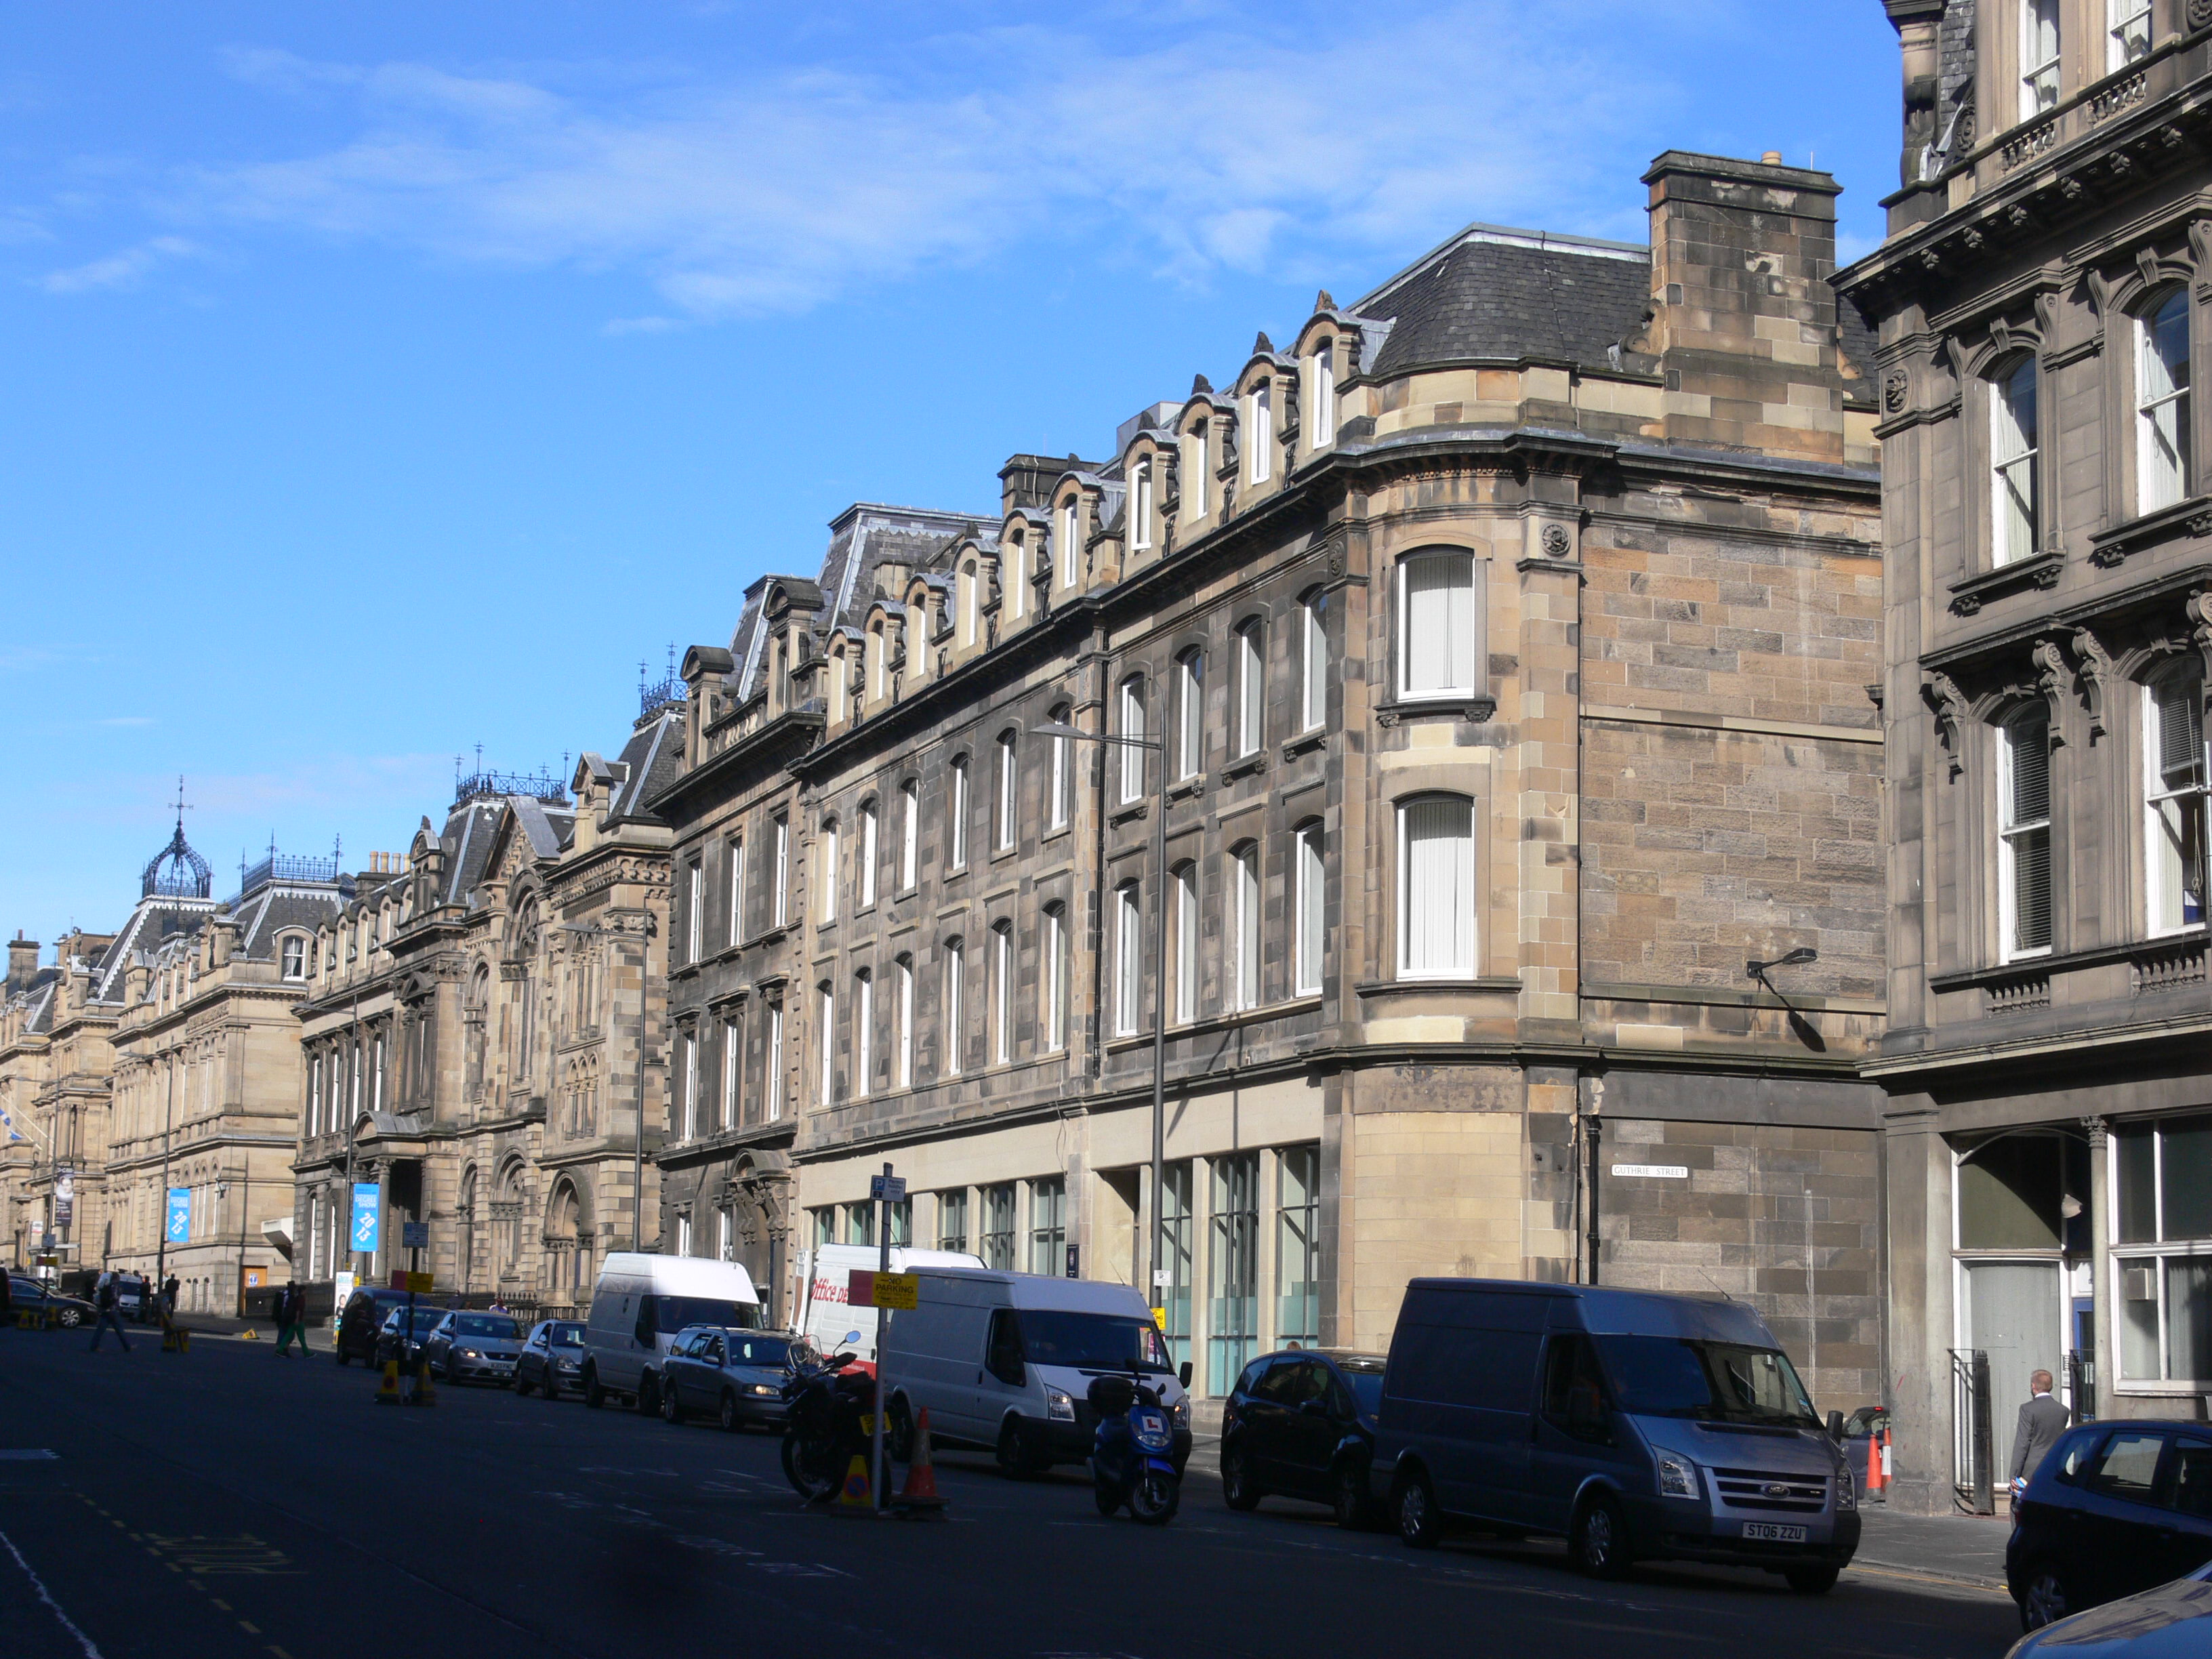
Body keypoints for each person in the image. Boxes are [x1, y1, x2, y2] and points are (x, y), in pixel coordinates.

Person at [2009, 1368, 2071, 1488]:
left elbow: (2023, 1442)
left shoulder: (2027, 1409)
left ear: (2033, 1386)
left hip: (2032, 1469)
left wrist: (2014, 1473)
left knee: (2022, 1505)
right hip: (2055, 1465)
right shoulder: (2063, 1411)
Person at [88, 1272, 131, 1353]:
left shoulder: (107, 1285)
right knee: (119, 1329)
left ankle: (93, 1346)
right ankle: (127, 1347)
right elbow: (114, 1297)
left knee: (100, 1330)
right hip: (113, 1310)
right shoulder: (116, 1286)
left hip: (105, 1310)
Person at [275, 1282, 310, 1357]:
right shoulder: (299, 1298)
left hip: (288, 1318)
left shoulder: (291, 1296)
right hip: (296, 1320)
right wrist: (297, 1319)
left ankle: (280, 1350)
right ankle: (306, 1353)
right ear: (303, 1291)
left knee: (288, 1335)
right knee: (300, 1338)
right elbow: (298, 1309)